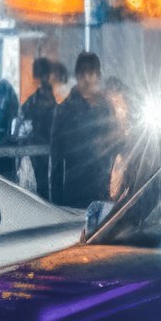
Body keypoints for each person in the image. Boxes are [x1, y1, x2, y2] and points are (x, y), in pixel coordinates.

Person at [51, 56, 116, 209]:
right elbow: (56, 162)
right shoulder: (65, 110)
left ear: (98, 76)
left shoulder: (106, 108)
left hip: (103, 192)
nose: (87, 78)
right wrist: (57, 204)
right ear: (77, 76)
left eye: (91, 73)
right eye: (82, 73)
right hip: (75, 195)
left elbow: (114, 147)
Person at [18, 58, 60, 198]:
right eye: (41, 75)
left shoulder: (43, 97)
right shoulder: (39, 97)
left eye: (44, 75)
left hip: (46, 143)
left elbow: (23, 113)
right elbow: (23, 113)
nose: (42, 78)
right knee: (44, 181)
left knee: (45, 181)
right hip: (42, 143)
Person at [0, 76, 21, 179]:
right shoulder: (7, 93)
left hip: (2, 138)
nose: (3, 103)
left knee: (3, 166)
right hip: (3, 137)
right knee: (5, 167)